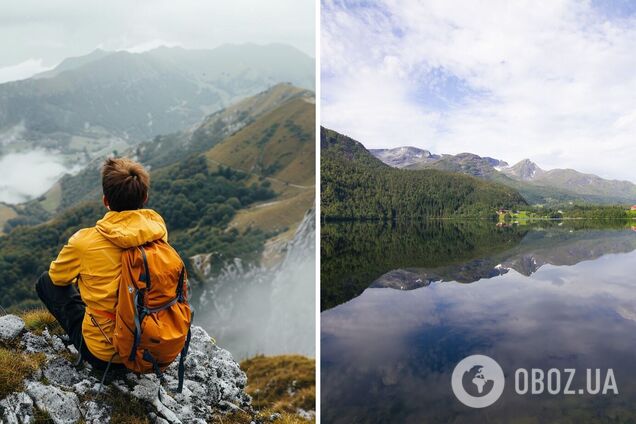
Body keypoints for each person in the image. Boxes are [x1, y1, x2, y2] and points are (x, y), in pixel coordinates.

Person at [35, 157, 169, 370]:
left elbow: (56, 278)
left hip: (105, 355)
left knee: (45, 282)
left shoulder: (84, 242)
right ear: (144, 197)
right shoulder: (157, 230)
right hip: (153, 348)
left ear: (106, 201)